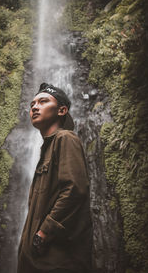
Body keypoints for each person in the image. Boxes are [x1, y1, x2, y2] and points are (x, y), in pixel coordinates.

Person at [17, 83, 92, 273]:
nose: (34, 107)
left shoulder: (65, 138)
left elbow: (75, 189)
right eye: (32, 104)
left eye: (43, 101)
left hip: (56, 262)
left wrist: (44, 232)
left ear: (62, 110)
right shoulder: (47, 148)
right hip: (36, 261)